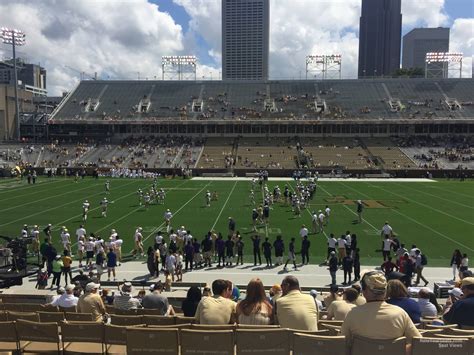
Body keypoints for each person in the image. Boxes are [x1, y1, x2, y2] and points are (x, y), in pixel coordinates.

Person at [341, 271, 421, 352]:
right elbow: (419, 342)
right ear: (385, 291)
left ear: (364, 292)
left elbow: (341, 343)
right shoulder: (400, 314)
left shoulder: (353, 314)